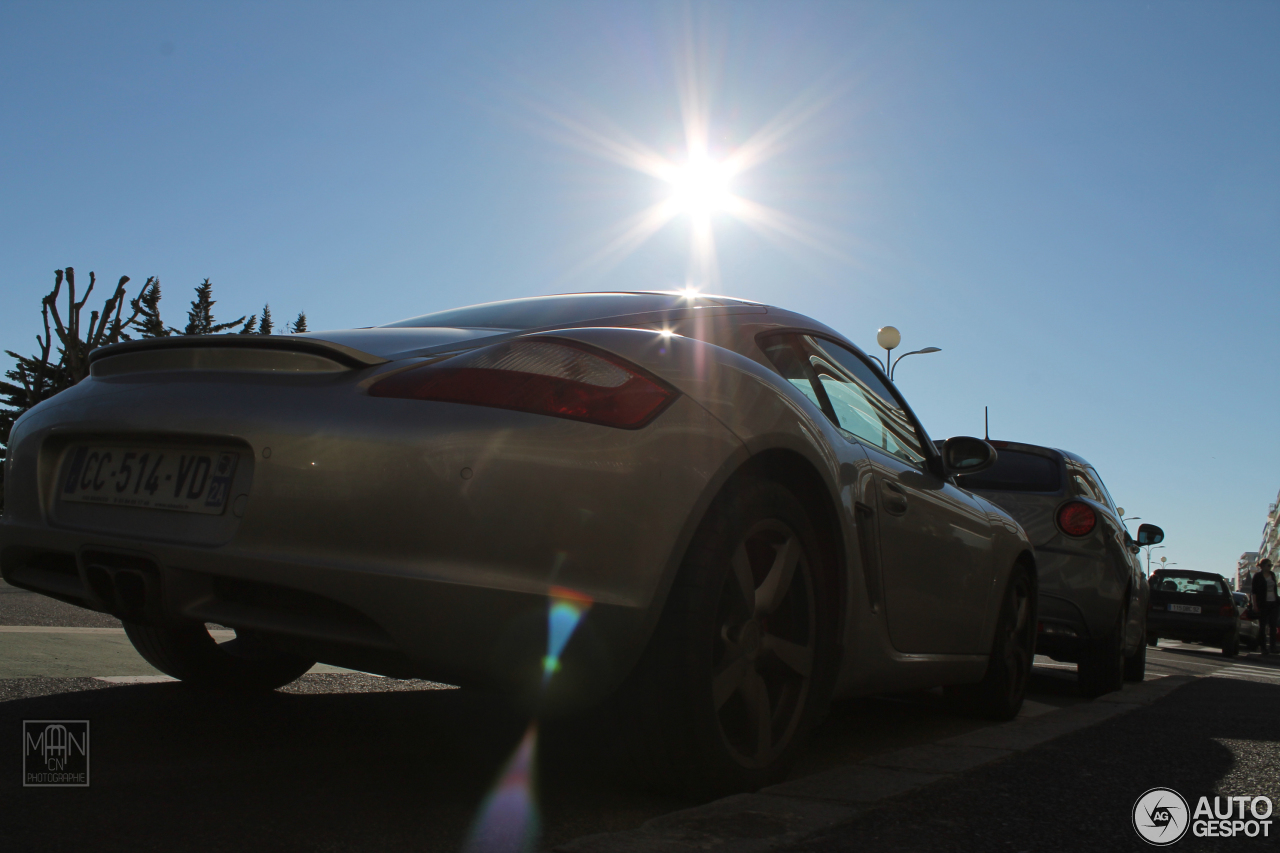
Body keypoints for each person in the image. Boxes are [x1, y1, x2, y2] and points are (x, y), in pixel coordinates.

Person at [1251, 558, 1278, 655]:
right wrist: (1255, 605)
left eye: (1271, 566)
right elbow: (1254, 592)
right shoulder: (1257, 576)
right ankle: (1263, 647)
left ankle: (1272, 647)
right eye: (1269, 565)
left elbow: (1274, 589)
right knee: (1262, 626)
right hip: (1263, 604)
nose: (1270, 567)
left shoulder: (1272, 575)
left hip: (1273, 603)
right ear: (1263, 566)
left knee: (1273, 625)